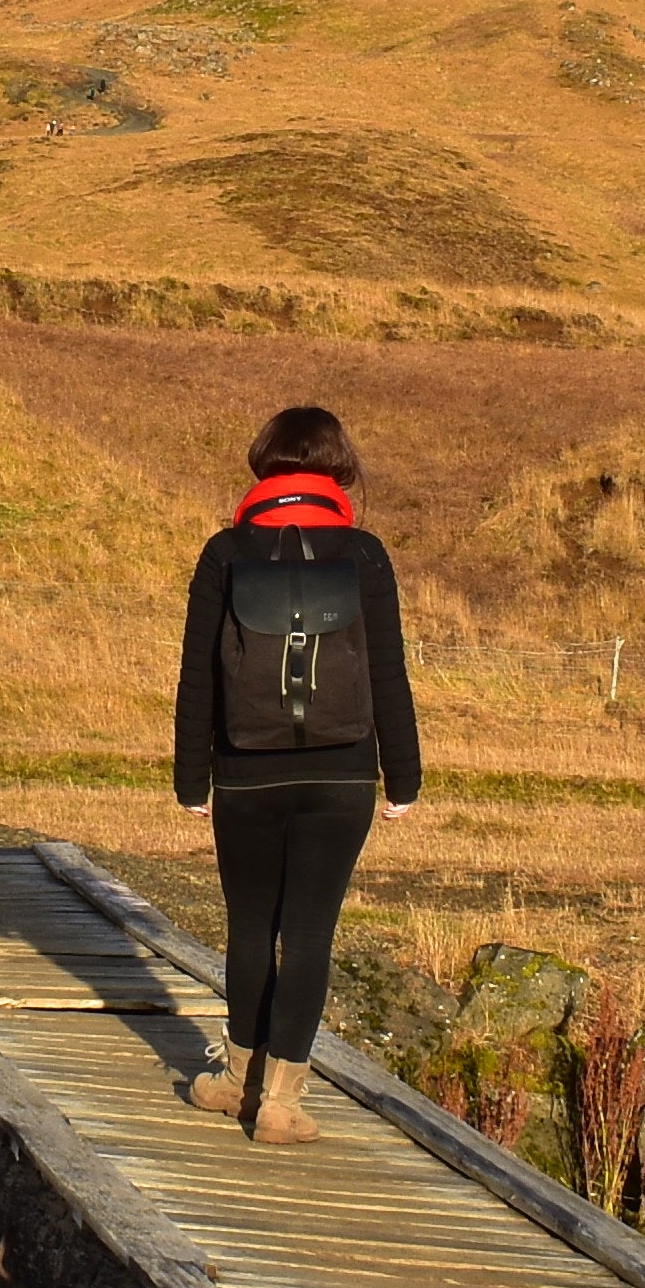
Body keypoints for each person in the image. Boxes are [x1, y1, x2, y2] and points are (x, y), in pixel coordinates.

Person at [170, 401, 420, 1142]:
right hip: (344, 774)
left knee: (251, 929)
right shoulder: (366, 554)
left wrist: (192, 780)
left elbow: (197, 676)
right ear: (339, 469)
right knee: (310, 932)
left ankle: (236, 1081)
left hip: (245, 771)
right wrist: (403, 778)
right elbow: (388, 671)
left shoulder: (224, 553)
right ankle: (282, 1102)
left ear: (264, 466)